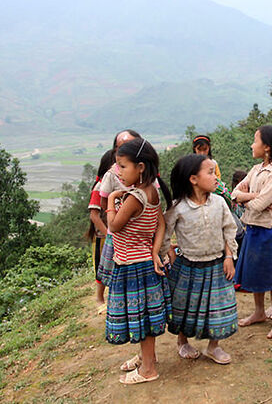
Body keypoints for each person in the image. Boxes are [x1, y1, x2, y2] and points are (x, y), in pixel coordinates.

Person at [105, 137, 173, 384]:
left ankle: (148, 370)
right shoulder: (150, 191)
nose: (118, 171)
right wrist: (155, 251)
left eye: (123, 166)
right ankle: (147, 359)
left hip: (133, 267)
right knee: (143, 317)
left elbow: (113, 226)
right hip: (144, 262)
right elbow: (160, 224)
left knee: (142, 320)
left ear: (141, 167)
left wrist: (112, 198)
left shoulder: (133, 198)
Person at [162, 154, 238, 364]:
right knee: (186, 305)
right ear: (193, 179)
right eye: (211, 173)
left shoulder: (220, 203)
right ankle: (182, 341)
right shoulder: (178, 207)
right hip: (188, 265)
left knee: (217, 306)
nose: (216, 178)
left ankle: (213, 347)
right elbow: (164, 233)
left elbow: (229, 231)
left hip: (217, 263)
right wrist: (167, 253)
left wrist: (229, 256)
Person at [232, 126, 272, 339]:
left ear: (267, 147)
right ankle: (259, 311)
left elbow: (259, 205)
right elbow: (234, 193)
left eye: (255, 140)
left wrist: (247, 197)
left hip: (269, 231)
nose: (252, 144)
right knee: (256, 273)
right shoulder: (256, 169)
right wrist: (251, 196)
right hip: (253, 229)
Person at [98, 129, 142, 288]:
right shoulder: (111, 174)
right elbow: (103, 203)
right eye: (120, 147)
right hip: (119, 234)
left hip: (143, 235)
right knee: (118, 278)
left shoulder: (147, 174)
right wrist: (117, 213)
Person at [86, 149, 115, 312]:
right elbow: (94, 216)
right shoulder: (99, 187)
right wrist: (108, 234)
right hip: (103, 236)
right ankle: (99, 296)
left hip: (113, 233)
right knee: (101, 266)